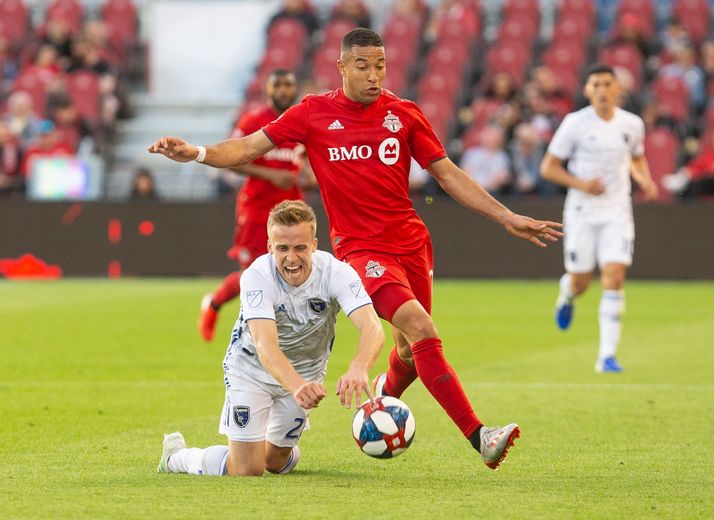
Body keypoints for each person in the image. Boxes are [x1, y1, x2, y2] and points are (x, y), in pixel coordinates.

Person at [149, 28, 562, 470]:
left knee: (409, 350)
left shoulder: (404, 114)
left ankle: (386, 392)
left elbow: (448, 174)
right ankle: (481, 437)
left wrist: (507, 218)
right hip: (362, 252)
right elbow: (249, 148)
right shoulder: (313, 113)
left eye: (380, 65)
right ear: (342, 67)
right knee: (422, 329)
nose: (373, 75)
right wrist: (195, 152)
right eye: (363, 65)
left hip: (413, 245)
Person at [158, 200, 384, 477]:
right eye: (283, 248)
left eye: (300, 247)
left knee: (275, 462)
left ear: (314, 245)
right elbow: (265, 344)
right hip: (252, 369)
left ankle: (275, 449)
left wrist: (359, 366)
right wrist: (297, 386)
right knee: (247, 469)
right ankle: (177, 457)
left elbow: (372, 327)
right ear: (269, 247)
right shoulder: (256, 277)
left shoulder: (337, 273)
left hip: (306, 371)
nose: (292, 258)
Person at [540, 63, 658, 373]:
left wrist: (645, 179)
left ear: (619, 89)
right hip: (581, 211)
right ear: (587, 90)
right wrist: (582, 185)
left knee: (614, 276)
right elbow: (548, 168)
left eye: (608, 84)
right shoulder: (574, 123)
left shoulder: (632, 124)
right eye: (596, 84)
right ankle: (567, 294)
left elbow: (636, 157)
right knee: (580, 281)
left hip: (617, 210)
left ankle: (606, 356)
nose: (602, 90)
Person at [199, 70, 307, 342]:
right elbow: (232, 160)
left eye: (288, 85)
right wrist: (271, 175)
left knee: (292, 269)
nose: (284, 90)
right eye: (278, 85)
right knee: (252, 273)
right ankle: (214, 304)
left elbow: (308, 162)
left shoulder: (301, 122)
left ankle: (284, 333)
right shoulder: (253, 122)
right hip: (257, 208)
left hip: (293, 209)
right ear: (267, 90)